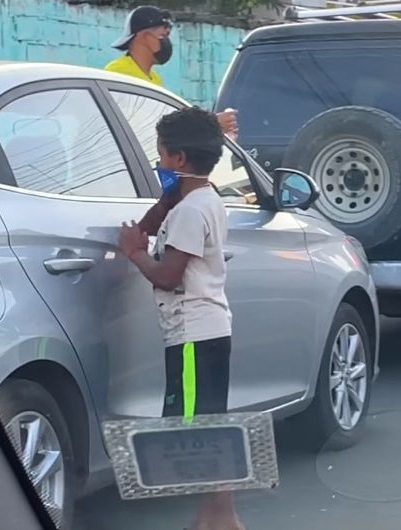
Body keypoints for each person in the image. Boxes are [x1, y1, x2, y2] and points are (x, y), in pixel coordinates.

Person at [118, 107, 243, 530]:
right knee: (206, 426)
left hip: (193, 335)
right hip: (204, 334)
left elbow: (169, 277)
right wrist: (168, 196)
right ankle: (212, 520)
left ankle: (224, 520)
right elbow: (160, 214)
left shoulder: (191, 212)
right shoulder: (198, 200)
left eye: (161, 156)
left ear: (179, 160)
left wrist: (133, 252)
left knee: (196, 434)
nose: (158, 164)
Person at [105, 5, 238, 138]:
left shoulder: (154, 78)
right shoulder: (120, 73)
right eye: (163, 36)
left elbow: (165, 123)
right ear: (144, 36)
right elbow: (148, 125)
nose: (167, 42)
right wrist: (209, 124)